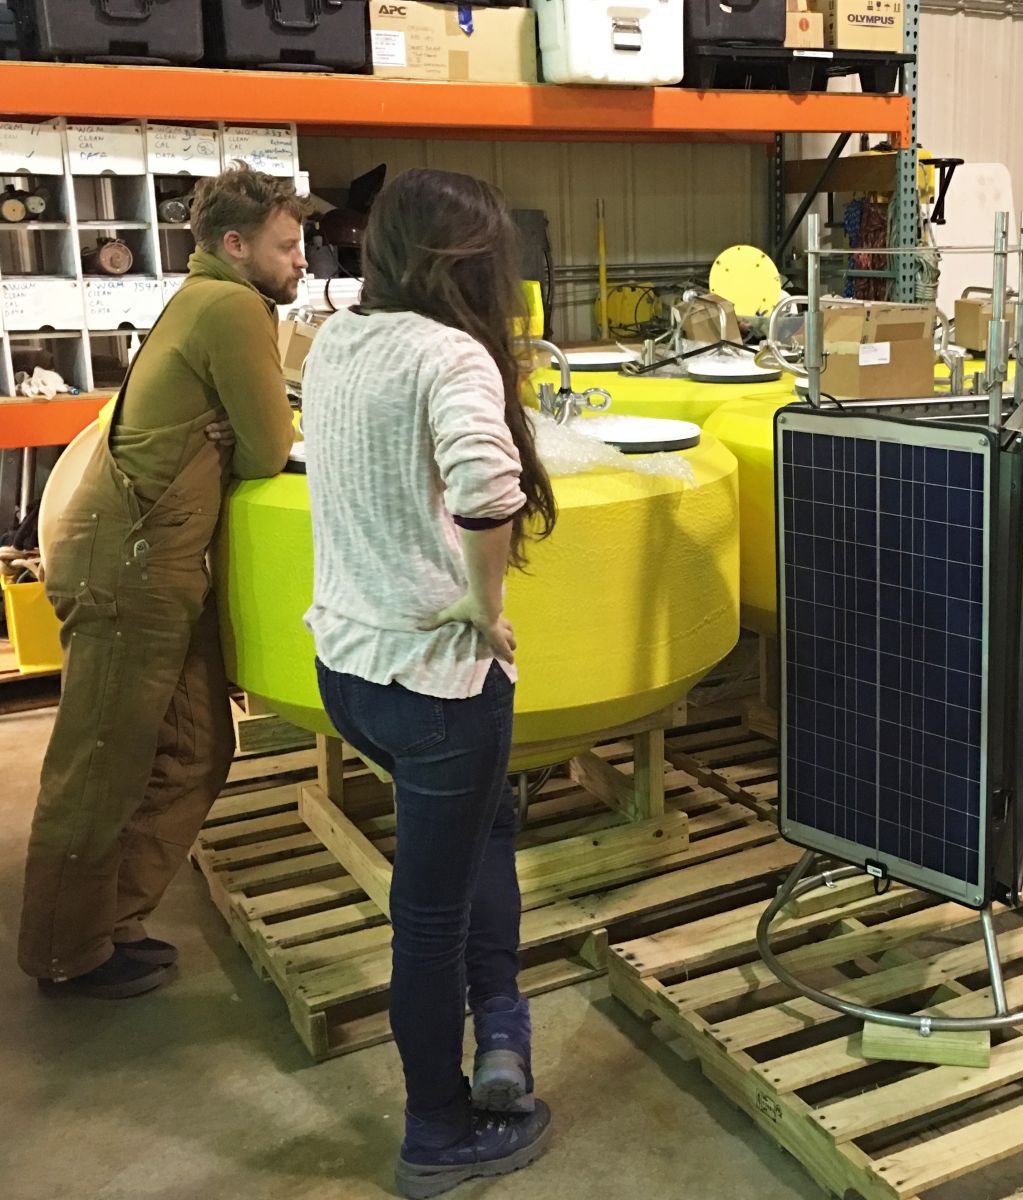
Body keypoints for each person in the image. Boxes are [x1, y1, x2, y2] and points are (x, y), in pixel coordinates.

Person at [300, 168, 557, 1199]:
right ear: (472, 264)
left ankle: (502, 1030)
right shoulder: (449, 352)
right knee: (428, 916)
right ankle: (437, 1132)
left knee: (483, 836)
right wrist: (477, 601)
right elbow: (490, 487)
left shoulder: (342, 340)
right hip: (435, 682)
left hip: (348, 668)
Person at [19, 164, 303, 999]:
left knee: (197, 748)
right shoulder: (230, 305)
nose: (300, 263)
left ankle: (112, 923)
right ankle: (64, 954)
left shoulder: (201, 298)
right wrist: (245, 430)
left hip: (153, 561)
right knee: (100, 763)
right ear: (234, 245)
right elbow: (263, 448)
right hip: (128, 564)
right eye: (286, 247)